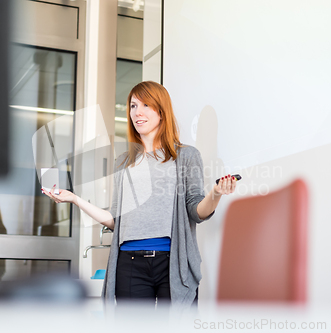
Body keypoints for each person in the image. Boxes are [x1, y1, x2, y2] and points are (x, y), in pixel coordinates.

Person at [43, 81, 236, 308]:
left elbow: (196, 211)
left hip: (171, 262)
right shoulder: (124, 162)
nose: (138, 112)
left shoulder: (186, 156)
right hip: (129, 262)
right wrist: (74, 198)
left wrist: (215, 194)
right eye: (133, 106)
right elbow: (116, 219)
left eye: (146, 105)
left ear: (162, 112)